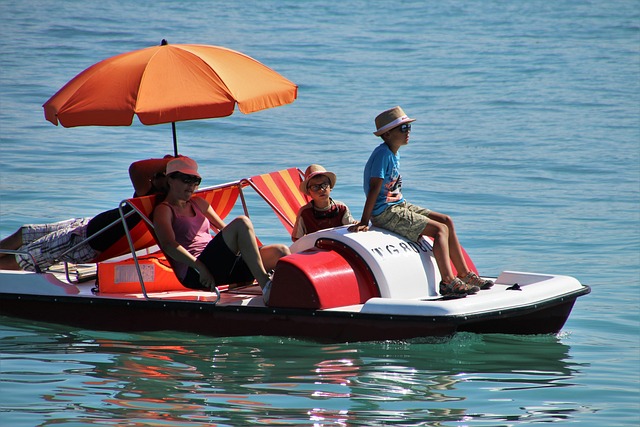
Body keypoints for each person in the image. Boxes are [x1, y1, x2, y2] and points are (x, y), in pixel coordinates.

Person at [348, 106, 493, 297]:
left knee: (447, 220)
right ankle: (448, 281)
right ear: (387, 134)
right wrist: (365, 221)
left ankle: (465, 274)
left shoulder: (393, 152)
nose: (408, 132)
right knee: (439, 230)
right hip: (385, 212)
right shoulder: (382, 154)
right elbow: (375, 187)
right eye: (403, 128)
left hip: (398, 205)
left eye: (409, 127)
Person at [0, 156, 174, 272]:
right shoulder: (159, 196)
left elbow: (136, 168)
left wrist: (174, 163)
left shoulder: (154, 198)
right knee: (25, 232)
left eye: (160, 174)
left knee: (26, 256)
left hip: (83, 243)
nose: (153, 176)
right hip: (85, 227)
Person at [152, 156, 289, 302]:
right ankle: (266, 286)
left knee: (280, 251)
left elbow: (225, 229)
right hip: (197, 272)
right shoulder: (164, 210)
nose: (191, 185)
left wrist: (249, 254)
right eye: (186, 179)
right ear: (170, 180)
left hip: (220, 265)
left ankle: (290, 294)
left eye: (195, 181)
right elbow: (168, 245)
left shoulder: (198, 203)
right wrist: (200, 267)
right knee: (242, 222)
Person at [292, 164, 356, 242]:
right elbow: (296, 238)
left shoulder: (341, 208)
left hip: (339, 245)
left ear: (330, 187)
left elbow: (350, 229)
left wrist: (356, 225)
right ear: (309, 192)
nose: (321, 190)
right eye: (315, 187)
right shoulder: (305, 212)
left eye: (324, 185)